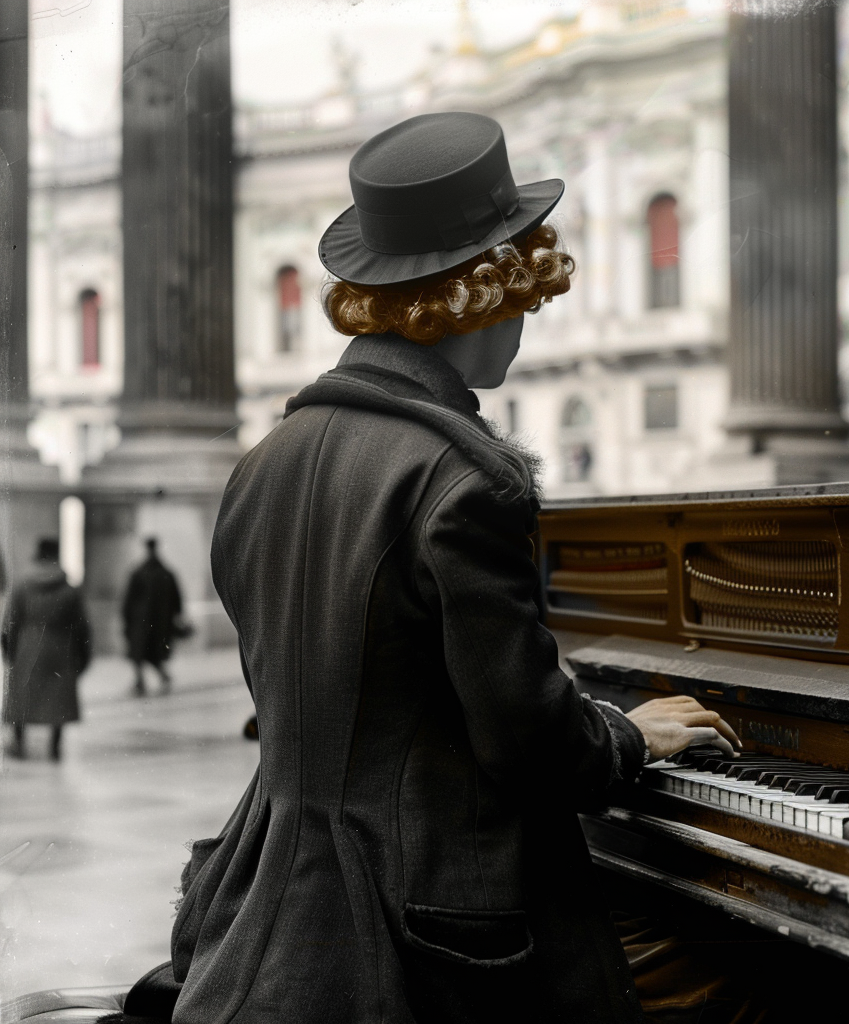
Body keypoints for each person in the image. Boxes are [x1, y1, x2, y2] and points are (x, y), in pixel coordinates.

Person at [120, 112, 739, 1024]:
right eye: (523, 297)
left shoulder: (264, 464)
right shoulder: (466, 479)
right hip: (435, 929)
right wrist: (630, 734)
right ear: (477, 299)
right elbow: (528, 740)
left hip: (266, 898)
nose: (527, 321)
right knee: (722, 984)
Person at [1, 537, 90, 761]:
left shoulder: (22, 586)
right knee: (58, 696)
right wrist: (83, 657)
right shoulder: (69, 589)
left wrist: (9, 652)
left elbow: (9, 623)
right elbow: (82, 627)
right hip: (60, 647)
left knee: (22, 695)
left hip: (27, 647)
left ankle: (18, 743)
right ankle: (55, 745)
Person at [122, 537, 184, 695]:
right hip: (155, 623)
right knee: (147, 654)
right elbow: (177, 599)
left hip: (143, 622)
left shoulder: (140, 572)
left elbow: (129, 600)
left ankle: (144, 682)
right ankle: (148, 680)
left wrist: (126, 618)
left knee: (143, 654)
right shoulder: (165, 573)